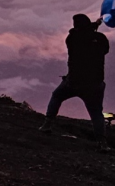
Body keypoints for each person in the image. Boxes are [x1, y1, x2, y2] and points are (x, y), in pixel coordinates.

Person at [39, 13, 110, 151]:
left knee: (57, 96)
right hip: (95, 84)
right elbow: (104, 50)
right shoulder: (100, 38)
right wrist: (95, 28)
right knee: (96, 113)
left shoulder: (72, 39)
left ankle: (47, 125)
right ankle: (102, 143)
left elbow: (80, 34)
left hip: (74, 82)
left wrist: (93, 26)